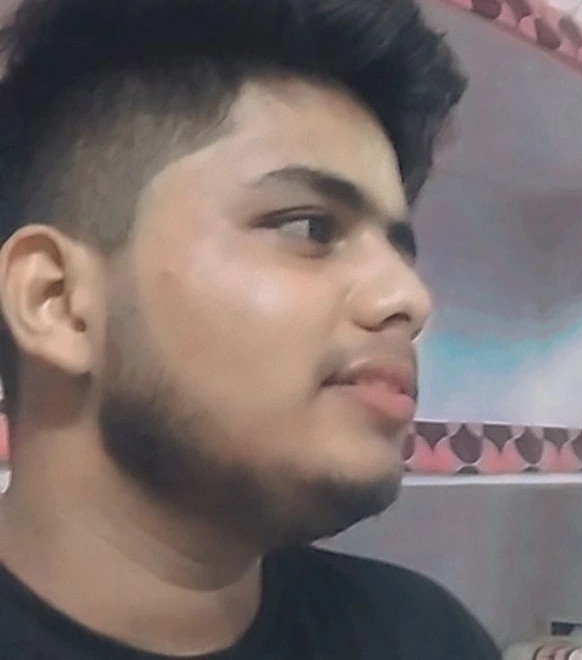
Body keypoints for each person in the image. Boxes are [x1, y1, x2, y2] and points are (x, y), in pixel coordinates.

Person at [0, 1, 500, 658]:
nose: (408, 298)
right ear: (56, 300)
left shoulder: (424, 636)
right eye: (309, 227)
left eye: (400, 252)